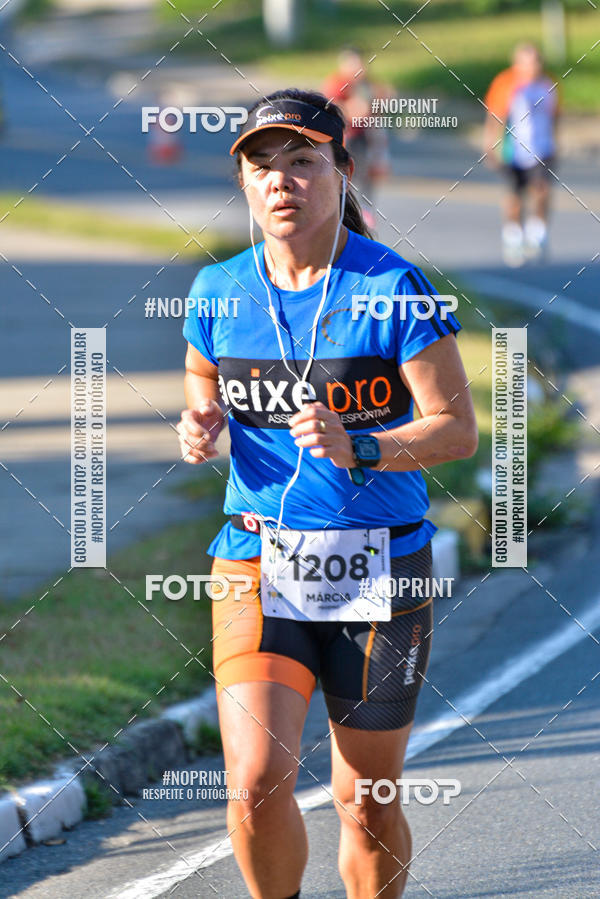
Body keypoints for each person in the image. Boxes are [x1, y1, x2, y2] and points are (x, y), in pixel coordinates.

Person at [177, 88, 478, 899]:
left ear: (343, 174)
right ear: (242, 183)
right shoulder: (216, 293)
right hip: (255, 560)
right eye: (262, 166)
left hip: (379, 572)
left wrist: (366, 445)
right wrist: (200, 423)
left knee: (366, 802)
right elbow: (203, 388)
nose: (282, 182)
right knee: (254, 780)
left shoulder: (392, 287)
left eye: (303, 162)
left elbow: (456, 431)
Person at [484, 42, 559, 267]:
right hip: (513, 150)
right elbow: (494, 116)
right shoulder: (506, 84)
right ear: (517, 64)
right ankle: (513, 237)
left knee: (542, 190)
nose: (533, 66)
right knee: (514, 197)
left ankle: (538, 234)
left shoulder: (549, 85)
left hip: (542, 148)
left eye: (537, 61)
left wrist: (556, 142)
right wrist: (490, 144)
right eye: (527, 62)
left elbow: (555, 116)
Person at [323, 48, 391, 229]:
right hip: (346, 138)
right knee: (344, 174)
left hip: (365, 136)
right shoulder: (337, 84)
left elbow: (376, 109)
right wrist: (352, 109)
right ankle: (343, 212)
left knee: (366, 175)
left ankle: (365, 212)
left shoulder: (367, 85)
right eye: (352, 63)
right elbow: (335, 109)